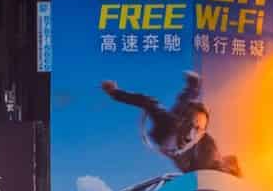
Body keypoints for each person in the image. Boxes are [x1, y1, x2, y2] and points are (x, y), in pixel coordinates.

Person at [99, 75, 241, 176]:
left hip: (192, 158)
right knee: (168, 107)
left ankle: (194, 85)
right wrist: (115, 93)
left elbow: (211, 162)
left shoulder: (205, 141)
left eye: (199, 128)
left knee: (213, 157)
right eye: (195, 125)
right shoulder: (169, 121)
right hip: (168, 133)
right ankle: (194, 84)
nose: (195, 131)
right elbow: (145, 101)